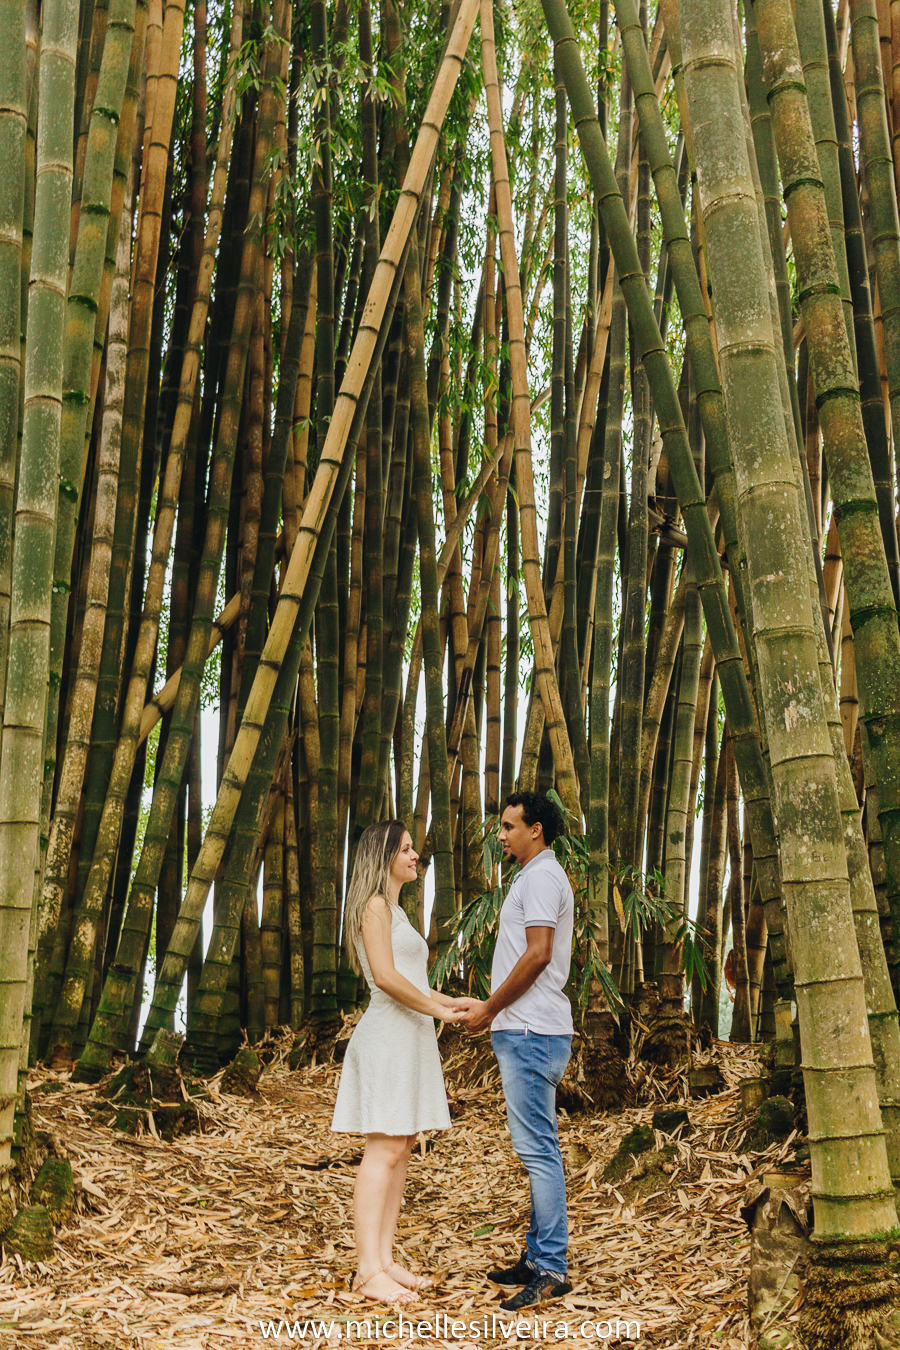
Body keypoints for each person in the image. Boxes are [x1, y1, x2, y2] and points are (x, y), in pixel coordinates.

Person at [332, 819, 463, 1306]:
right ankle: (367, 1272)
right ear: (383, 855)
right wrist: (438, 1011)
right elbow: (385, 978)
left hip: (410, 1035)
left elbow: (414, 981)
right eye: (406, 849)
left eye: (414, 850)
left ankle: (385, 1261)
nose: (415, 857)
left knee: (402, 1146)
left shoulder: (398, 912)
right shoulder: (373, 906)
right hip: (387, 1036)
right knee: (382, 1150)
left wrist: (456, 1003)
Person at [456, 791, 575, 1311]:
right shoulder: (531, 876)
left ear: (537, 830)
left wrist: (489, 1008)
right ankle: (536, 1256)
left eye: (509, 826)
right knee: (535, 1150)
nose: (500, 835)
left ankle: (550, 1268)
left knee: (538, 1151)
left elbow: (539, 953)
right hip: (525, 1028)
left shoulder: (544, 877)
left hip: (530, 1030)